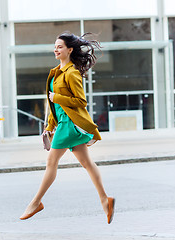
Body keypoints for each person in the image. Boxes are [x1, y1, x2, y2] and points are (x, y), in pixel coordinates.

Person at [19, 32, 115, 224]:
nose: (56, 49)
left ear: (70, 50)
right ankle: (105, 200)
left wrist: (58, 97)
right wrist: (49, 126)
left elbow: (81, 101)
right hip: (63, 124)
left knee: (51, 162)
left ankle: (35, 202)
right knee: (87, 163)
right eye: (55, 46)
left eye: (60, 46)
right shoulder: (56, 72)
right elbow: (53, 106)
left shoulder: (72, 73)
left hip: (70, 125)